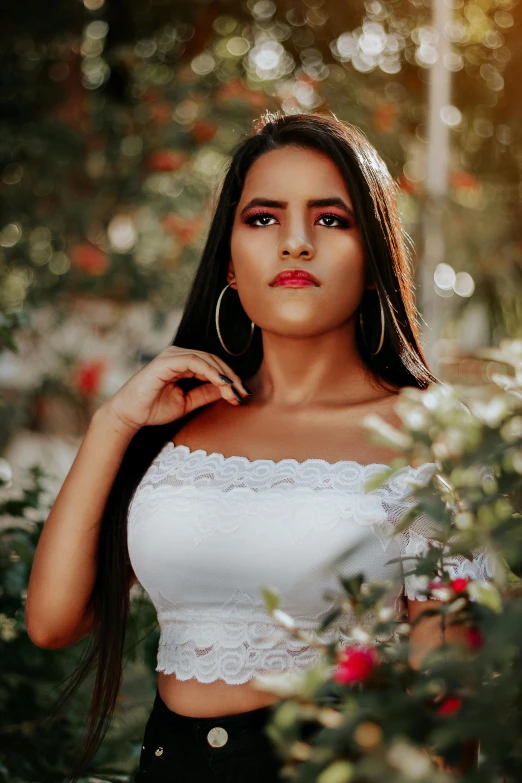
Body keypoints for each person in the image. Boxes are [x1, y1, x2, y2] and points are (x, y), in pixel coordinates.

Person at [24, 111, 492, 783]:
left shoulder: (425, 435)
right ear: (230, 267)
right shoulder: (177, 424)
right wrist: (113, 423)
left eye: (331, 219)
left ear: (373, 261)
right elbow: (53, 620)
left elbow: (449, 724)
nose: (295, 243)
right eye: (264, 218)